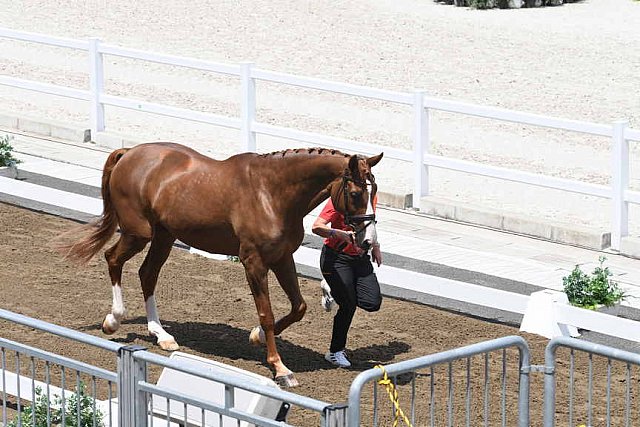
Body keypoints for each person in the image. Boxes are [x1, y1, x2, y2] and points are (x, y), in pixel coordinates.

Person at [312, 199, 383, 368]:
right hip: (336, 258)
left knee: (372, 303)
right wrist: (340, 234)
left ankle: (333, 288)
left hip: (360, 259)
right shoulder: (338, 201)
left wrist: (376, 246)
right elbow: (316, 227)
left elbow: (369, 224)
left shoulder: (369, 197)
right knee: (348, 304)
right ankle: (335, 352)